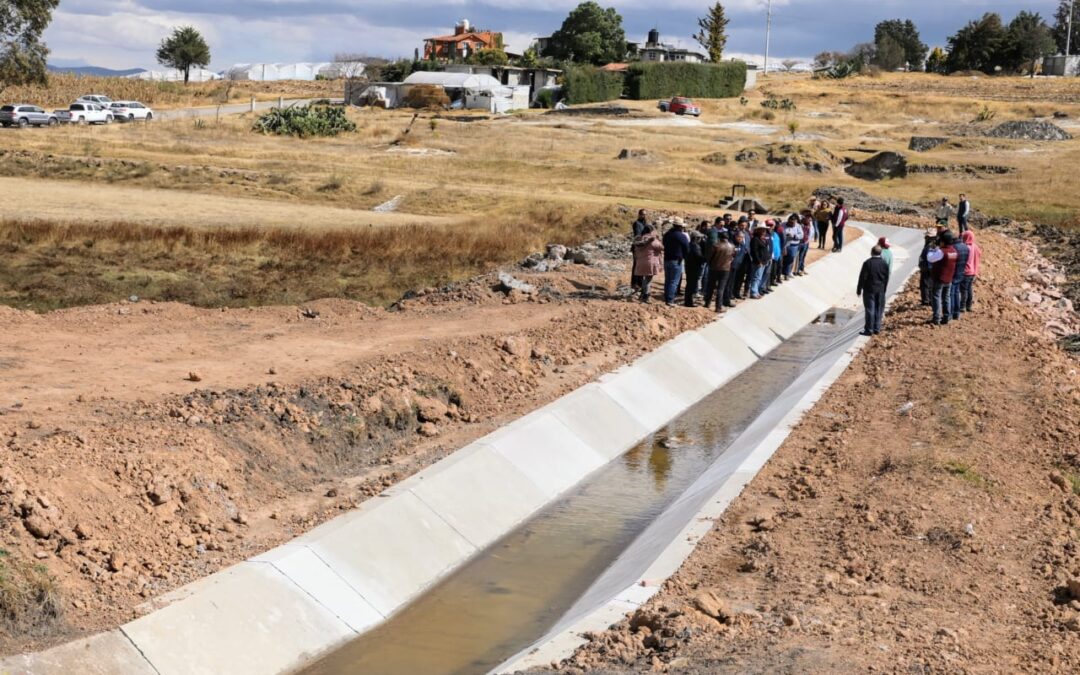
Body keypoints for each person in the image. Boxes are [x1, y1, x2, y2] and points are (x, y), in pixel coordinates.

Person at [857, 245, 891, 336]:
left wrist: (859, 289)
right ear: (880, 253)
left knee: (870, 309)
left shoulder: (867, 263)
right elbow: (886, 278)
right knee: (879, 309)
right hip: (880, 290)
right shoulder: (884, 264)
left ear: (871, 252)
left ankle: (869, 329)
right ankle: (877, 328)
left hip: (869, 290)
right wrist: (884, 289)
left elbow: (862, 277)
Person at [927, 231, 959, 325]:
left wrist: (932, 250)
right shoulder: (954, 251)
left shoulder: (942, 252)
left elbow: (930, 258)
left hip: (939, 278)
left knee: (936, 297)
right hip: (949, 278)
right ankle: (946, 316)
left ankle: (936, 318)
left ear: (943, 241)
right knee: (946, 297)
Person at [705, 231, 735, 313]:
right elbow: (733, 257)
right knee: (721, 288)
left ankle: (707, 303)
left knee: (710, 286)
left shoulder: (716, 246)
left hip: (714, 268)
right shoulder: (732, 246)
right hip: (725, 269)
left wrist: (710, 264)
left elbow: (710, 257)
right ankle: (718, 307)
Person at [662, 219, 690, 306]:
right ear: (681, 226)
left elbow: (664, 244)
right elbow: (687, 248)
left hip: (667, 259)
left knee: (668, 280)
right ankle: (670, 300)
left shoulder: (667, 234)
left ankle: (667, 298)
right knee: (674, 281)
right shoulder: (681, 236)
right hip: (676, 260)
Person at [632, 224, 663, 303]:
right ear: (651, 231)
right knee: (648, 280)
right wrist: (659, 239)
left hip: (640, 262)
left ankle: (642, 294)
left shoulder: (639, 239)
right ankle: (646, 296)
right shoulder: (653, 240)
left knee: (644, 279)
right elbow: (662, 247)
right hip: (650, 263)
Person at [949, 229, 970, 322]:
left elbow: (950, 261)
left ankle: (951, 312)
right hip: (961, 273)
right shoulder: (965, 247)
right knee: (957, 293)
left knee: (951, 294)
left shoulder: (954, 248)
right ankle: (956, 313)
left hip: (953, 273)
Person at [684, 229, 707, 307]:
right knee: (691, 285)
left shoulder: (689, 244)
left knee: (689, 284)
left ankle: (688, 301)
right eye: (699, 238)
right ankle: (689, 302)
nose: (700, 239)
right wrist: (706, 259)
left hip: (689, 266)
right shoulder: (695, 246)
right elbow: (698, 257)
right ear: (696, 238)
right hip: (694, 267)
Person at [960, 230, 981, 313]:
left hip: (966, 271)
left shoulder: (966, 247)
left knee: (964, 290)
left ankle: (962, 306)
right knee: (969, 289)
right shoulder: (975, 247)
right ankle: (969, 306)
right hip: (973, 271)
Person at [749, 227, 770, 299]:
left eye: (765, 233)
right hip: (758, 262)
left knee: (759, 277)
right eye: (763, 233)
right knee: (756, 277)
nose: (764, 234)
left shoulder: (763, 239)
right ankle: (753, 292)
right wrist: (758, 261)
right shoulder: (755, 240)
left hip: (764, 261)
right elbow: (754, 252)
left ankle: (756, 291)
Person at [630, 210, 648, 290]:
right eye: (642, 214)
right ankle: (634, 283)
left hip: (643, 247)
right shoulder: (637, 223)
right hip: (638, 246)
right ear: (639, 215)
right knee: (636, 265)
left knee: (642, 265)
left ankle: (640, 282)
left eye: (645, 215)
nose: (644, 216)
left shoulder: (645, 223)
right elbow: (638, 235)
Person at [731, 230, 751, 300]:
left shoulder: (742, 245)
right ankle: (730, 294)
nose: (741, 239)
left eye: (742, 238)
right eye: (739, 237)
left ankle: (737, 293)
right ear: (736, 237)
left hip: (741, 265)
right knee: (732, 281)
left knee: (740, 280)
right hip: (733, 266)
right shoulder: (732, 244)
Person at [783, 214, 803, 279]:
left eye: (793, 223)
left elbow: (801, 235)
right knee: (783, 259)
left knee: (790, 259)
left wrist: (794, 236)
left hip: (793, 245)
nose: (792, 224)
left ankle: (787, 273)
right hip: (784, 245)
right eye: (790, 222)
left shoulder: (798, 226)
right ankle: (783, 273)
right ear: (788, 221)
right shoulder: (783, 225)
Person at [918, 228, 935, 306]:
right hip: (928, 268)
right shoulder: (930, 245)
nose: (925, 238)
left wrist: (927, 268)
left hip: (927, 269)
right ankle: (928, 299)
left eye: (927, 237)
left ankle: (926, 300)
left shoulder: (930, 246)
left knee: (926, 284)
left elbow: (930, 258)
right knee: (928, 284)